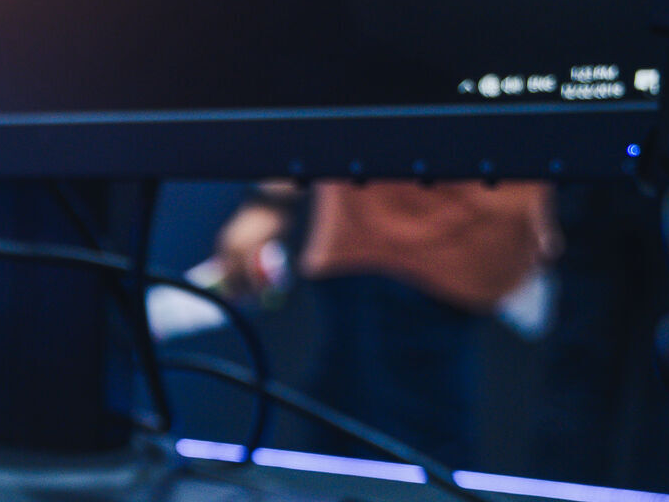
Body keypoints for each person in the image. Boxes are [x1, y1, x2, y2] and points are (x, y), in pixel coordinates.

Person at [214, 179, 559, 467]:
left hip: (432, 242)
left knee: (398, 463)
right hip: (396, 244)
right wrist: (270, 201)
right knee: (385, 458)